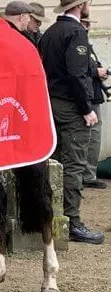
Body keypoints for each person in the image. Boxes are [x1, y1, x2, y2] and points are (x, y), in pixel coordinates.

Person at [39, 0, 105, 244]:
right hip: (70, 106)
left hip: (52, 103)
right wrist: (86, 108)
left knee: (53, 162)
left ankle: (48, 217)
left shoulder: (51, 32)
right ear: (81, 6)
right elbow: (77, 74)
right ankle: (72, 221)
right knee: (73, 164)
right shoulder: (75, 32)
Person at [81, 16, 108, 189]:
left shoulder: (85, 43)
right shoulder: (77, 42)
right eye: (86, 24)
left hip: (93, 92)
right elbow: (76, 70)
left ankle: (88, 174)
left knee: (94, 137)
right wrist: (95, 71)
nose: (89, 27)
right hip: (84, 96)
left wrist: (100, 72)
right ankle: (86, 176)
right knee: (89, 138)